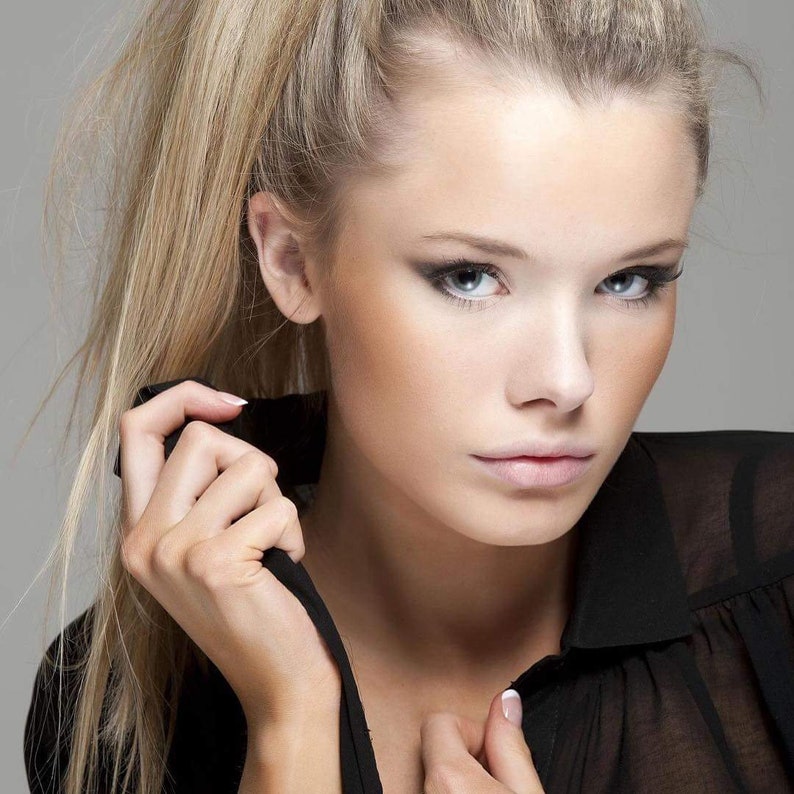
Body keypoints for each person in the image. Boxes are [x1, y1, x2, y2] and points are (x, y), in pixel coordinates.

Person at [20, 0, 793, 792]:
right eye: (470, 277)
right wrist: (291, 723)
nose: (567, 381)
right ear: (291, 261)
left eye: (629, 280)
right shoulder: (113, 709)